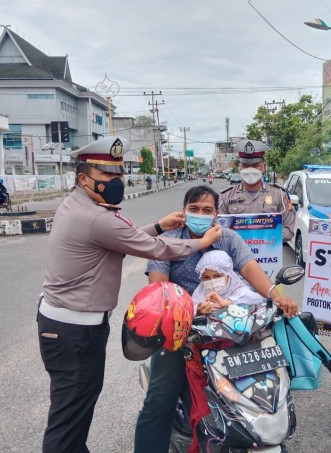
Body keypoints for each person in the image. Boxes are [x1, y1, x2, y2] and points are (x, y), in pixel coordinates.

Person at [37, 136, 221, 453]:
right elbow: (154, 249)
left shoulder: (83, 205)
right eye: (107, 175)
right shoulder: (95, 217)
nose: (117, 181)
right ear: (84, 178)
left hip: (69, 326)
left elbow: (124, 238)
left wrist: (159, 225)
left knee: (76, 410)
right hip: (75, 331)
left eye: (119, 173)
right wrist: (201, 244)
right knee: (68, 421)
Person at [134, 184, 298, 453]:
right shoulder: (168, 240)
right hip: (182, 332)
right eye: (194, 209)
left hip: (228, 329)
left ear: (216, 214)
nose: (200, 213)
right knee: (159, 400)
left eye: (207, 210)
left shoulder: (229, 238)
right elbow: (159, 288)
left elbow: (250, 269)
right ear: (184, 211)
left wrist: (275, 296)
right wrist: (191, 311)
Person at [218, 139, 296, 243]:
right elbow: (219, 229)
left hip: (269, 255)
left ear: (263, 167)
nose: (250, 169)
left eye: (255, 166)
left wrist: (261, 240)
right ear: (239, 167)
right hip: (235, 256)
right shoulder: (226, 196)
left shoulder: (279, 195)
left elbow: (288, 230)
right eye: (245, 166)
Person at [191, 249, 265, 314]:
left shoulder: (238, 290)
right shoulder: (200, 294)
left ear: (228, 275)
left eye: (217, 276)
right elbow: (189, 311)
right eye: (206, 277)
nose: (212, 281)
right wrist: (199, 313)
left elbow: (257, 300)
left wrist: (227, 303)